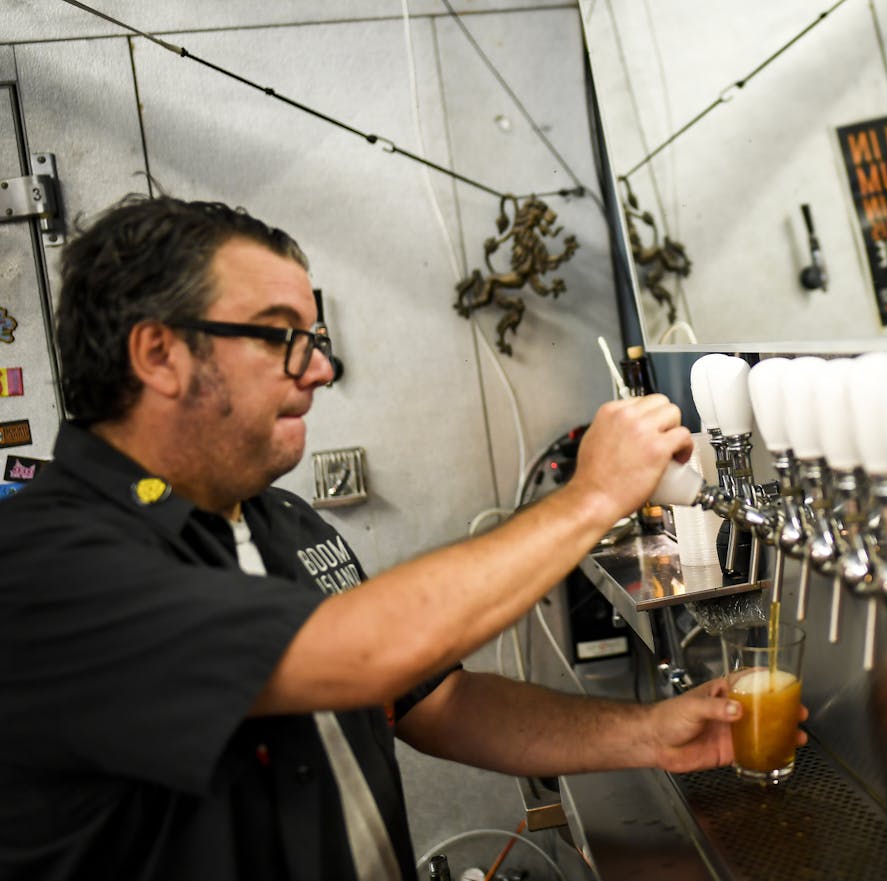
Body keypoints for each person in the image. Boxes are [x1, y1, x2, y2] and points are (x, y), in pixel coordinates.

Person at [0, 196, 801, 881]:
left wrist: (648, 735)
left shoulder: (282, 522)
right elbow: (361, 652)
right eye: (283, 334)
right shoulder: (44, 565)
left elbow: (429, 700)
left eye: (315, 336)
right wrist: (591, 496)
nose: (319, 369)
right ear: (159, 353)